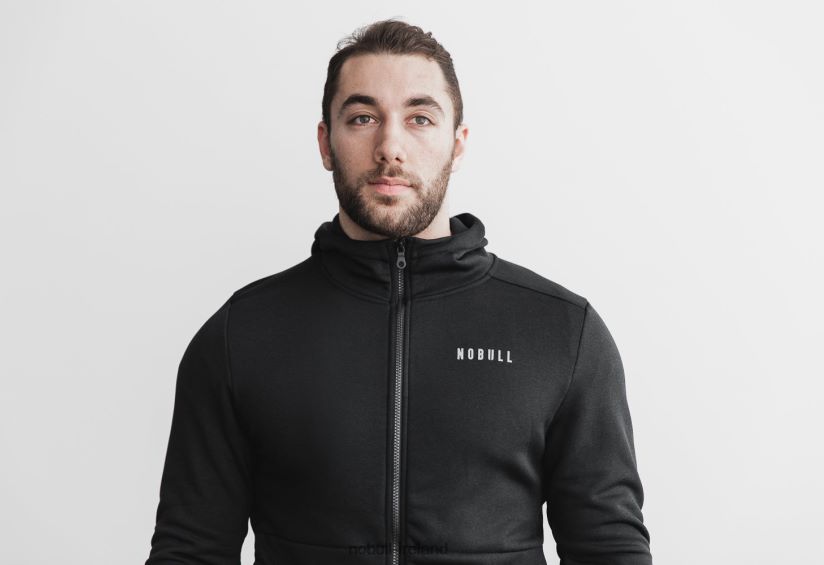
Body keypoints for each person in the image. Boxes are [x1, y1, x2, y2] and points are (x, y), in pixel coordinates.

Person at [145, 18, 652, 565]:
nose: (390, 146)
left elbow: (608, 549)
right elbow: (190, 551)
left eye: (419, 118)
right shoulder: (242, 334)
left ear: (457, 144)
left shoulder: (560, 331)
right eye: (363, 118)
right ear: (326, 142)